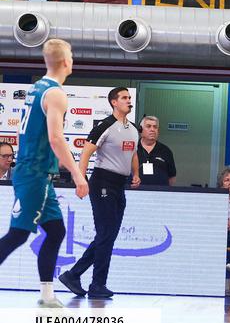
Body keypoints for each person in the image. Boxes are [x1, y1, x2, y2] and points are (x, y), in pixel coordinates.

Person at [0, 40, 88, 308]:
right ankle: (46, 295)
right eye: (71, 56)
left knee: (56, 231)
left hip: (38, 174)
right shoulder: (55, 93)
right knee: (18, 235)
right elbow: (56, 139)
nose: (72, 60)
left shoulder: (36, 88)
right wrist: (77, 173)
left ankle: (47, 295)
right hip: (34, 174)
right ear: (65, 62)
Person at [59, 87, 139, 300]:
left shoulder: (133, 129)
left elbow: (133, 153)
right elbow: (86, 151)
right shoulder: (105, 126)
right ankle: (97, 284)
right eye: (124, 98)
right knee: (106, 234)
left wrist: (136, 173)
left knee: (108, 236)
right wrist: (80, 178)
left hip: (119, 185)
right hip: (103, 182)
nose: (128, 101)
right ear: (114, 102)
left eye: (129, 98)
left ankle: (74, 274)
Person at [136, 115, 176, 186]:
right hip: (135, 193)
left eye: (155, 127)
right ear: (140, 130)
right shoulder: (133, 149)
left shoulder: (166, 151)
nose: (152, 129)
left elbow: (172, 177)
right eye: (148, 126)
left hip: (160, 194)